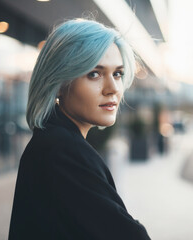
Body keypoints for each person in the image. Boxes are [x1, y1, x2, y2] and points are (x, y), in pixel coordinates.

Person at [8, 18, 151, 240]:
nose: (113, 88)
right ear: (59, 84)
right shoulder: (63, 151)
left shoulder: (53, 142)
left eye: (118, 74)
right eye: (94, 73)